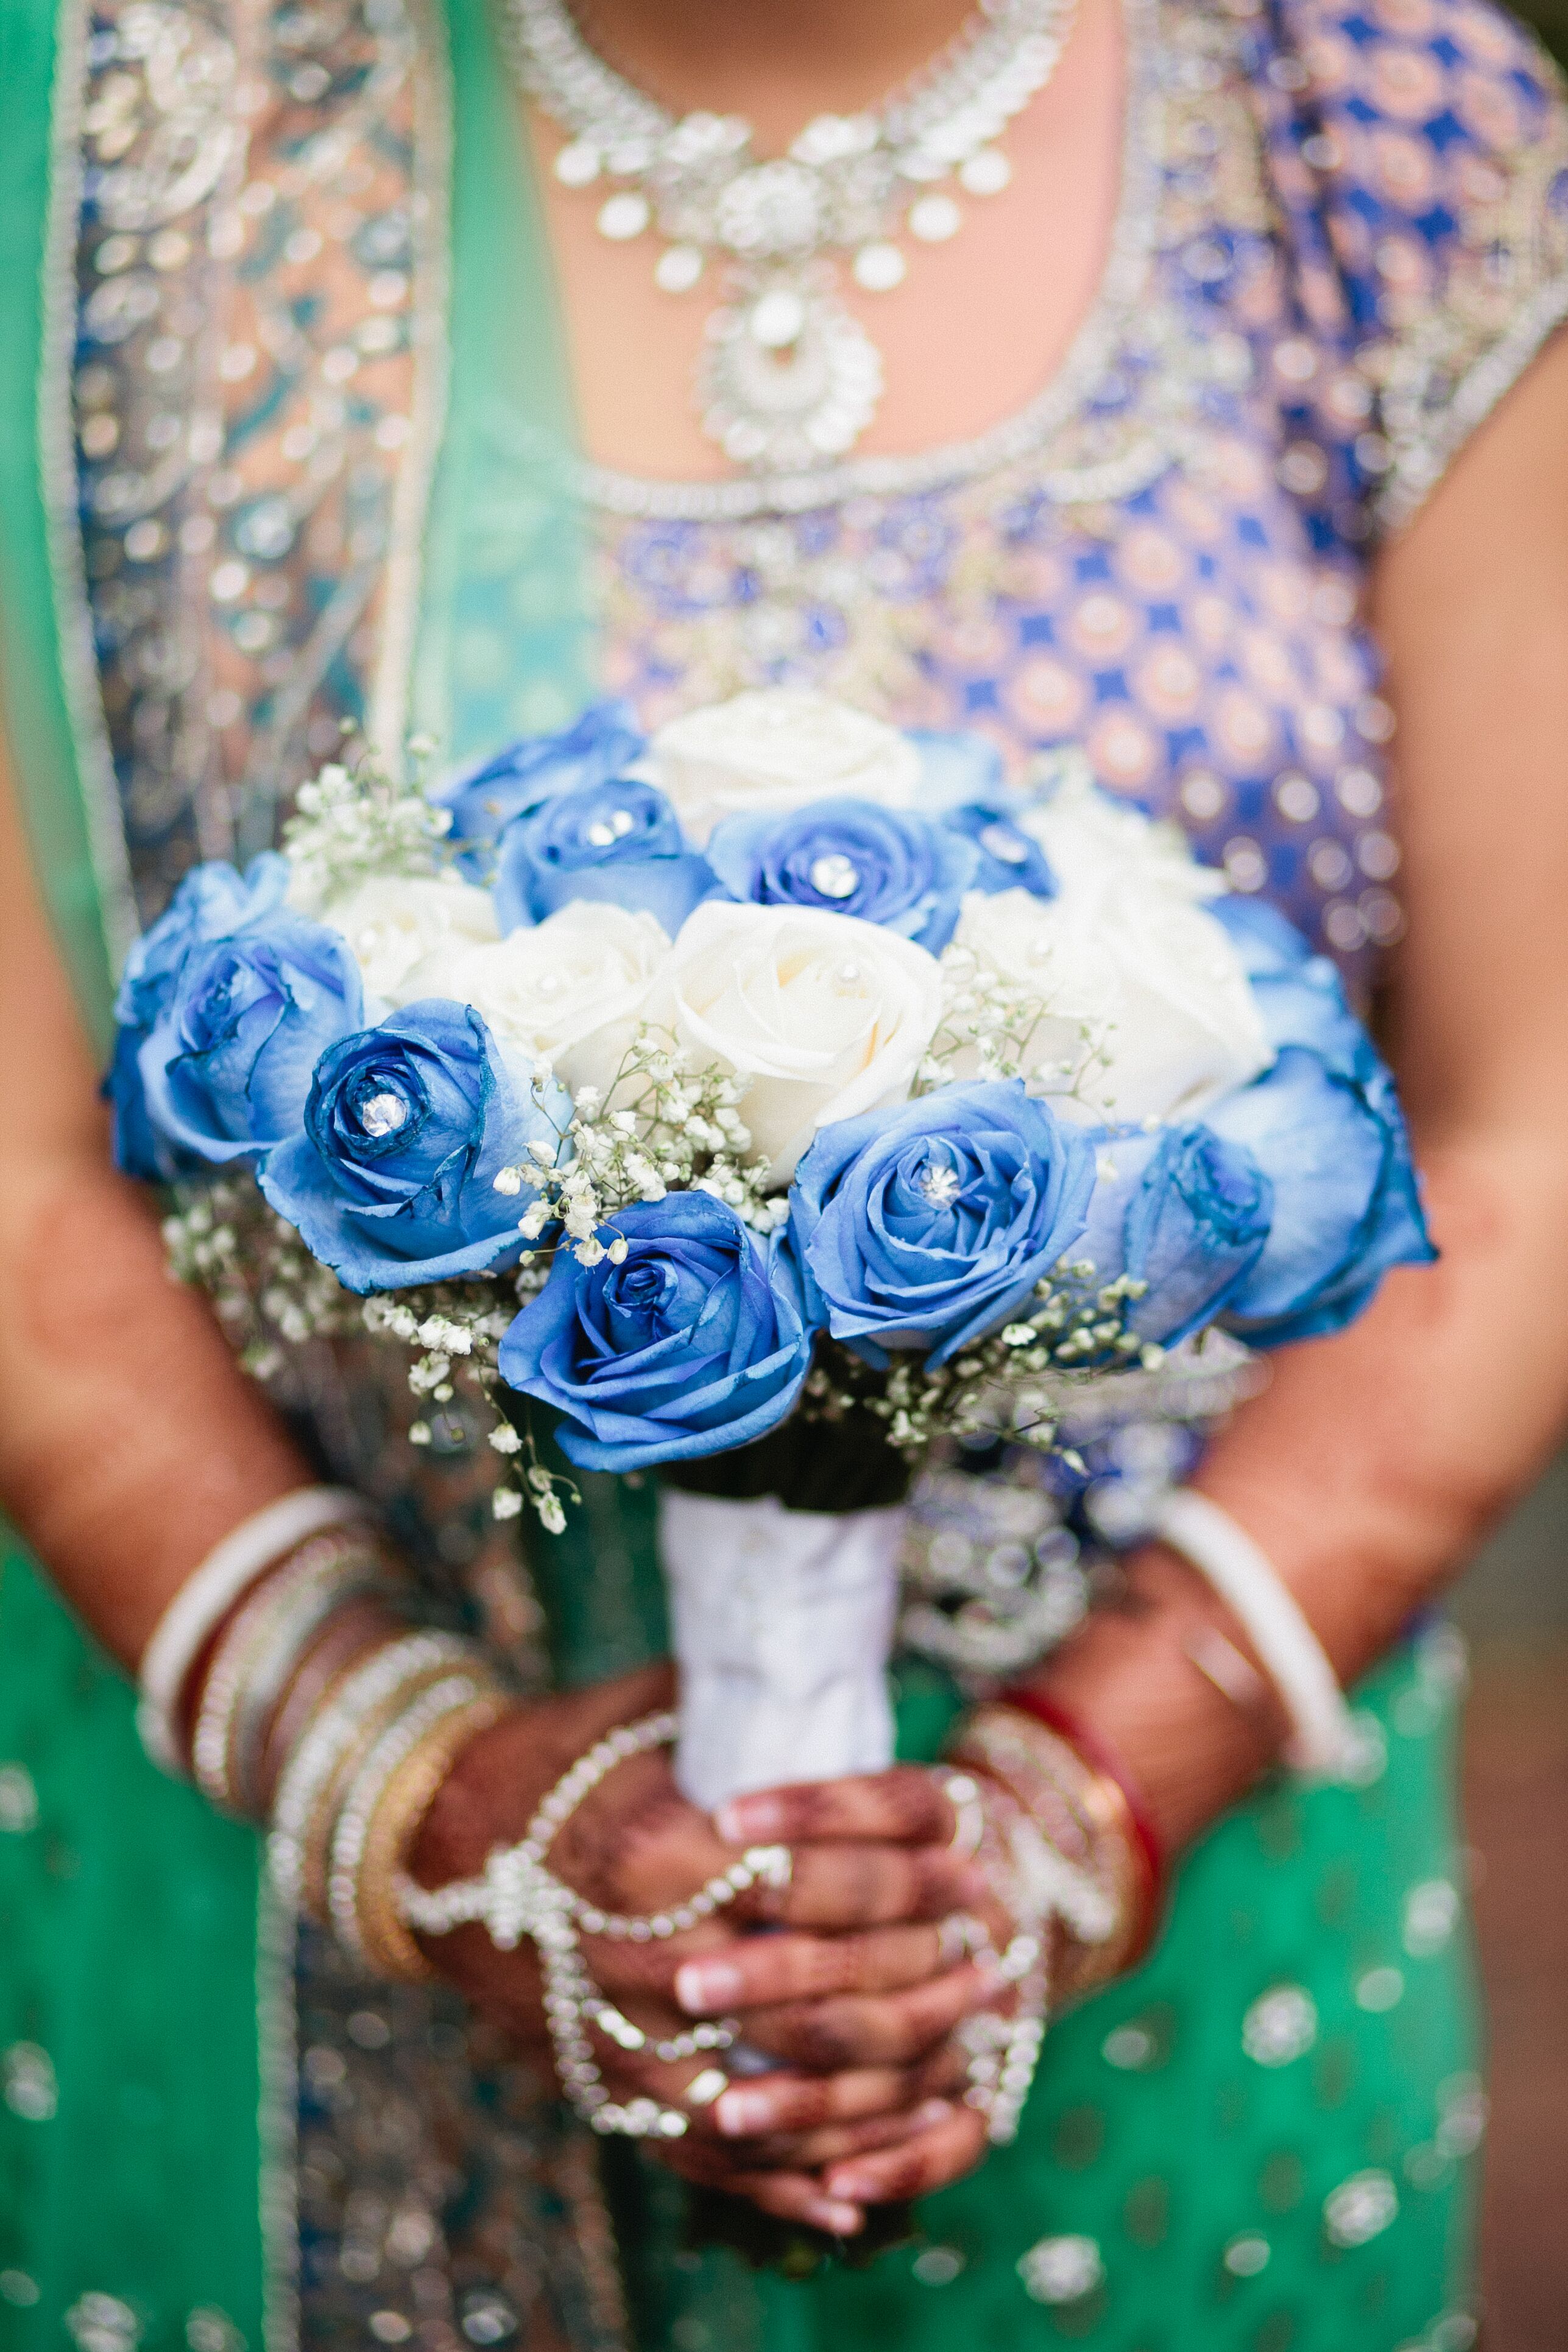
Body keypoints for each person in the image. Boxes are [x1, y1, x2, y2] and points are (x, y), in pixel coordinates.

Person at [2, 0, 1567, 2345]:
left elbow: (1526, 1143)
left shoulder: (1374, 123)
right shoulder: (108, 129)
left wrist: (1058, 1820)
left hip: (1195, 1939)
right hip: (292, 1936)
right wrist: (423, 1795)